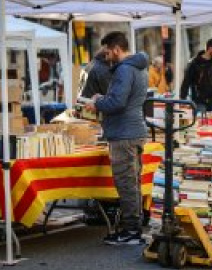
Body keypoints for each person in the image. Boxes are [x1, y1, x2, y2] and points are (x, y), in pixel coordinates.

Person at [85, 31, 148, 245]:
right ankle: (134, 228)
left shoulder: (124, 70)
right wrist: (103, 97)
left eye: (107, 51)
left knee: (126, 183)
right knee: (133, 182)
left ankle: (131, 230)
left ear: (116, 49)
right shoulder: (138, 68)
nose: (105, 56)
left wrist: (97, 103)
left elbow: (118, 103)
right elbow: (124, 99)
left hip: (124, 134)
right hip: (134, 131)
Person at [180, 38, 212, 112]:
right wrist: (182, 98)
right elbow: (186, 81)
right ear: (210, 48)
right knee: (200, 122)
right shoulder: (195, 63)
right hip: (199, 101)